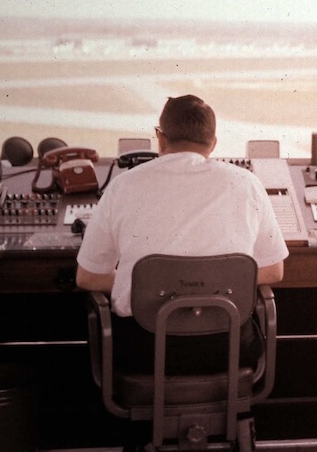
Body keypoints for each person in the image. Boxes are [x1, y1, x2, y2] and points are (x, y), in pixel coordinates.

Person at [76, 94, 289, 373]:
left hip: (143, 352)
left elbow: (88, 277)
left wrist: (147, 283)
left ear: (160, 138)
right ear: (213, 143)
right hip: (227, 349)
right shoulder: (247, 183)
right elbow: (273, 271)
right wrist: (209, 281)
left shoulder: (123, 185)